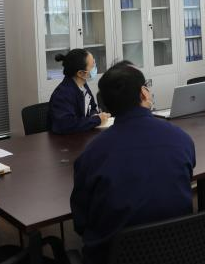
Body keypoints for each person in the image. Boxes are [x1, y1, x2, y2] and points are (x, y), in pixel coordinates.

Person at [71, 61, 196, 263]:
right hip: (177, 250)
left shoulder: (92, 154)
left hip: (114, 256)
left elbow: (81, 222)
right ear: (144, 93)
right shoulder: (181, 139)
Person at [48, 49, 111, 134]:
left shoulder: (83, 85)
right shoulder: (62, 94)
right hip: (65, 140)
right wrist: (96, 119)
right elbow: (67, 125)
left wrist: (94, 115)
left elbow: (92, 107)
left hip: (82, 134)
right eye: (92, 65)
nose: (95, 67)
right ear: (80, 73)